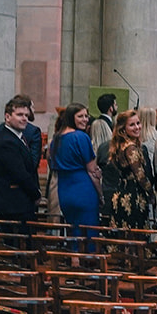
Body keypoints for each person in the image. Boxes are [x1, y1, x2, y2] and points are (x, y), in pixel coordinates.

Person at [0, 94, 41, 234]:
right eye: (19, 115)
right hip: (14, 204)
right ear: (7, 117)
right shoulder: (7, 141)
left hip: (18, 202)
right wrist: (36, 194)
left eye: (26, 115)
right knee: (20, 243)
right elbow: (20, 173)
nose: (24, 118)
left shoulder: (17, 136)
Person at [49, 103, 102, 246]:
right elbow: (92, 171)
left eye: (86, 116)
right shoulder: (81, 137)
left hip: (64, 190)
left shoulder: (56, 139)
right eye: (80, 116)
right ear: (70, 117)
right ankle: (90, 258)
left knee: (73, 231)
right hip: (83, 189)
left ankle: (74, 256)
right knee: (89, 232)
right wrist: (100, 194)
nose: (85, 119)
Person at [99, 108, 156, 229]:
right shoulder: (131, 148)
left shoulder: (119, 145)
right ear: (123, 128)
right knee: (136, 234)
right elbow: (140, 176)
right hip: (133, 198)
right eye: (132, 125)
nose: (137, 127)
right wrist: (151, 193)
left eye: (138, 123)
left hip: (120, 194)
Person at [89, 92, 118, 156]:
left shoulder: (99, 122)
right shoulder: (101, 123)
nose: (117, 107)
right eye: (115, 105)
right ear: (111, 108)